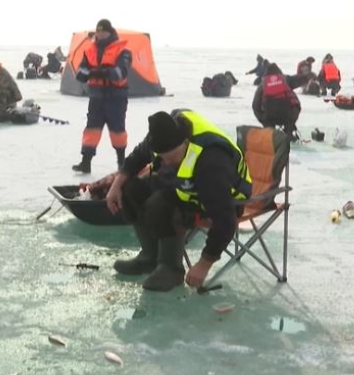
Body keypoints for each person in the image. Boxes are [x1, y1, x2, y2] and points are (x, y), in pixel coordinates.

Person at [102, 110, 252, 291]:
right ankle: (149, 257)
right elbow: (136, 158)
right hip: (185, 187)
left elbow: (226, 220)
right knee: (131, 189)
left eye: (170, 158)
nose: (164, 162)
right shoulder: (162, 133)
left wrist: (204, 264)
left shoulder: (212, 162)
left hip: (223, 198)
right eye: (161, 158)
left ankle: (170, 269)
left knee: (159, 203)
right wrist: (116, 185)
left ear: (186, 143)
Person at [72, 19, 132, 173]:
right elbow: (80, 73)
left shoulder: (123, 50)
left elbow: (119, 73)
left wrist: (93, 73)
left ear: (110, 32)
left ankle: (121, 162)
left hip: (115, 98)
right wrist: (98, 73)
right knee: (91, 130)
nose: (100, 34)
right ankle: (85, 163)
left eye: (103, 31)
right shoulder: (89, 50)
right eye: (98, 31)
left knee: (117, 131)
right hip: (96, 97)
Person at [253, 63, 301, 140]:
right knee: (295, 106)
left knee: (269, 127)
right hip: (287, 115)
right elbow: (296, 102)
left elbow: (255, 105)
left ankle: (270, 131)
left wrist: (263, 120)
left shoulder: (262, 85)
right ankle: (289, 132)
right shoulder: (286, 79)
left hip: (269, 116)